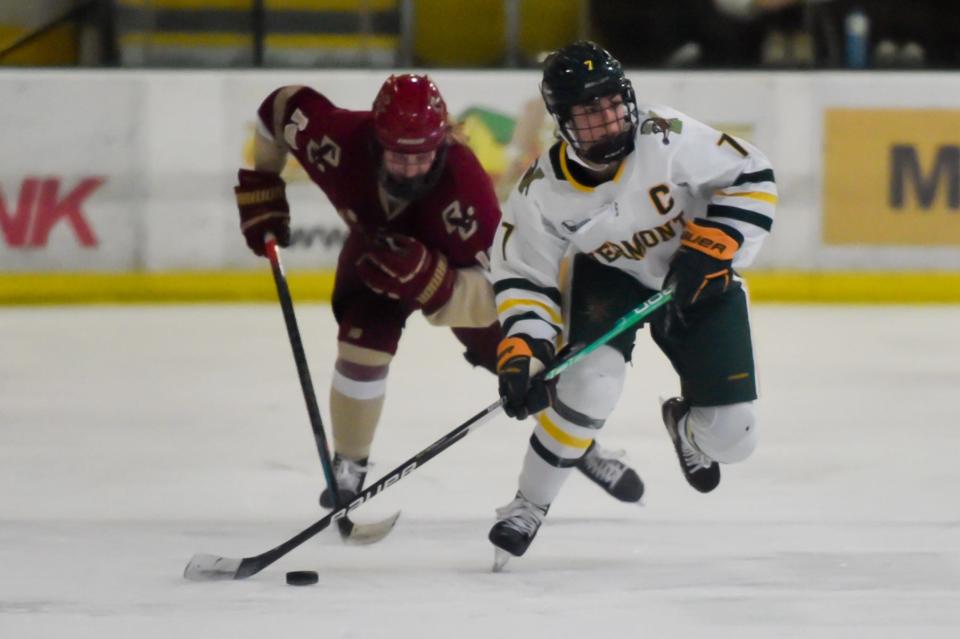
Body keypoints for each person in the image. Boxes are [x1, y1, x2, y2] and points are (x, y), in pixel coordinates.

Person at [234, 73, 644, 510]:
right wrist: (264, 183)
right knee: (361, 346)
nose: (411, 167)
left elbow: (505, 288)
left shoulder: (466, 189)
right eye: (398, 155)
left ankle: (580, 446)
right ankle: (348, 467)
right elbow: (278, 108)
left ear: (443, 139)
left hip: (463, 279)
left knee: (525, 368)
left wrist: (436, 283)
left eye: (423, 155)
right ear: (376, 136)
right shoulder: (337, 139)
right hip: (373, 254)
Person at [488, 41, 777, 563]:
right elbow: (524, 278)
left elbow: (751, 174)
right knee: (590, 384)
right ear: (563, 121)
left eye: (612, 102)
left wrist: (715, 242)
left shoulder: (664, 134)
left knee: (735, 439)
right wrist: (526, 347)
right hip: (609, 276)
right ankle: (527, 506)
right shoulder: (540, 192)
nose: (609, 118)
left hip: (698, 270)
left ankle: (685, 427)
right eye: (589, 110)